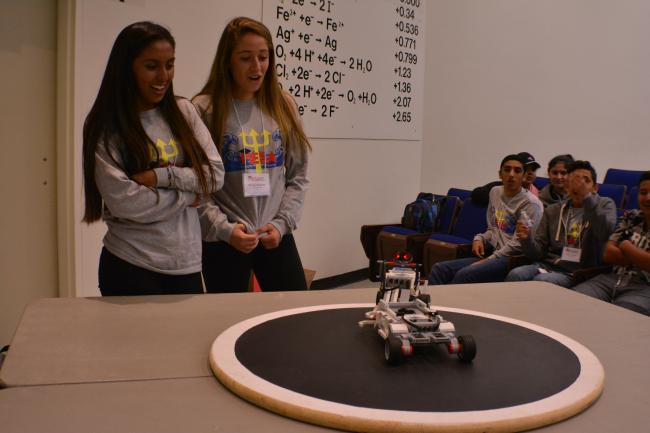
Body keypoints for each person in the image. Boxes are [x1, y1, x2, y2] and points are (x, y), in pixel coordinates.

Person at [82, 22, 224, 296]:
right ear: (127, 68)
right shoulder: (105, 124)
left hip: (187, 265)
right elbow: (126, 202)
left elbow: (215, 175)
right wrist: (189, 196)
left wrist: (161, 177)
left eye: (169, 64)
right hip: (130, 264)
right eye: (151, 66)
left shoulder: (184, 111)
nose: (163, 76)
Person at [192, 17, 311, 293]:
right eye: (246, 58)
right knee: (227, 322)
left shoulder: (283, 104)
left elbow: (298, 177)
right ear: (228, 61)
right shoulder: (204, 108)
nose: (257, 67)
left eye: (263, 57)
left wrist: (281, 225)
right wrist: (224, 229)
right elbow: (197, 188)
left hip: (274, 236)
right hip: (226, 240)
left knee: (292, 315)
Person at [428, 154, 543, 285]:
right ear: (500, 174)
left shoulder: (531, 204)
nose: (511, 174)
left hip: (513, 259)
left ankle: (450, 304)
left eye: (517, 171)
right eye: (507, 170)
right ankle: (432, 304)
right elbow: (492, 229)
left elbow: (518, 245)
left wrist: (490, 260)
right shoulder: (495, 192)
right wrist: (480, 238)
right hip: (494, 254)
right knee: (439, 269)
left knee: (465, 274)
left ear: (523, 176)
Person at [505, 161, 617, 287]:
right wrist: (526, 239)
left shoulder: (605, 205)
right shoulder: (553, 210)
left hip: (580, 271)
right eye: (575, 181)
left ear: (595, 188)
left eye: (585, 181)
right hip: (549, 265)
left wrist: (586, 198)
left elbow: (605, 232)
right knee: (516, 274)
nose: (579, 186)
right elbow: (537, 253)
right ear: (567, 186)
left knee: (541, 281)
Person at [572, 171, 650, 315]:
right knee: (573, 300)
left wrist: (626, 246)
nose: (647, 198)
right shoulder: (632, 217)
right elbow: (608, 254)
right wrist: (640, 258)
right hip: (612, 278)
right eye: (643, 192)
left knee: (619, 316)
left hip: (644, 287)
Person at [470, 152, 540, 205]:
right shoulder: (497, 188)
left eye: (533, 169)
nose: (530, 172)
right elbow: (477, 195)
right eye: (526, 169)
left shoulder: (538, 193)